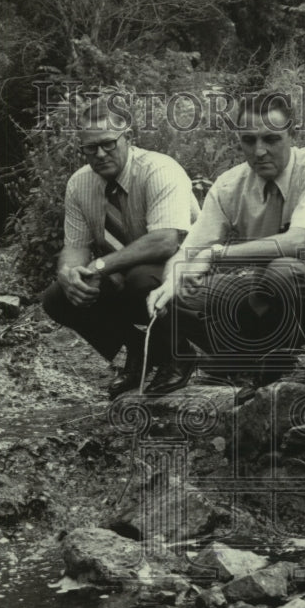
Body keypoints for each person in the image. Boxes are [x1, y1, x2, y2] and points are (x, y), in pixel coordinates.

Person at [145, 92, 305, 396]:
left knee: (284, 272)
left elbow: (299, 241)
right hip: (270, 296)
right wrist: (170, 281)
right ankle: (245, 361)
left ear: (292, 134)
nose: (260, 151)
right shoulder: (230, 184)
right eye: (249, 140)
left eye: (271, 139)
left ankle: (276, 378)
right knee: (178, 295)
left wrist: (216, 256)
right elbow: (188, 251)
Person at [41, 98, 200, 398]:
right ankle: (141, 351)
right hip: (129, 279)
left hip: (189, 275)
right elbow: (74, 247)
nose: (100, 154)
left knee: (141, 277)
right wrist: (68, 274)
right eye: (91, 148)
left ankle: (179, 354)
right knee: (58, 296)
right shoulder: (79, 184)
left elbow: (165, 240)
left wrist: (100, 266)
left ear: (128, 138)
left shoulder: (159, 169)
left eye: (108, 144)